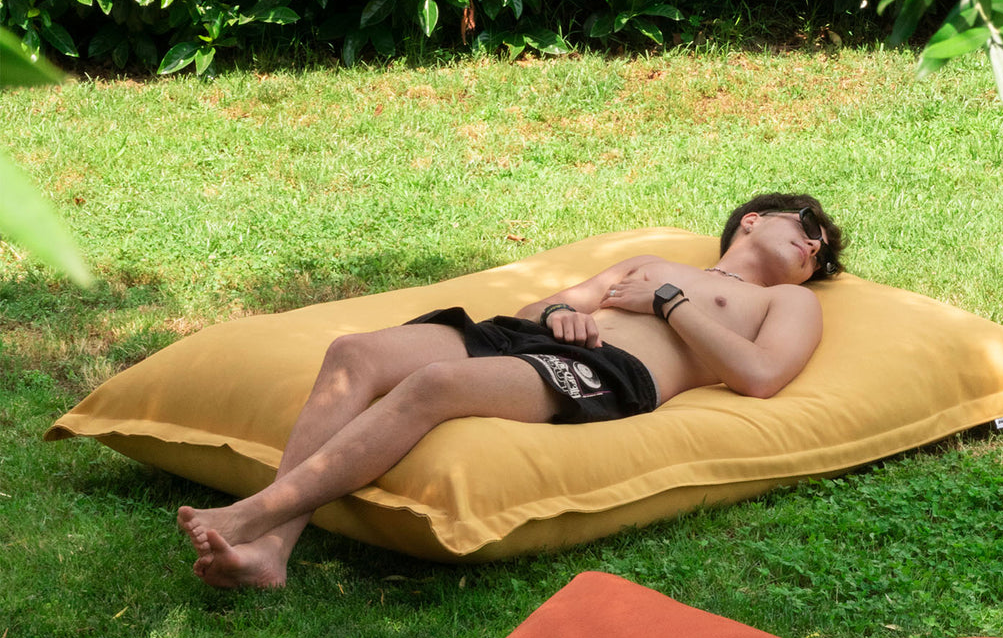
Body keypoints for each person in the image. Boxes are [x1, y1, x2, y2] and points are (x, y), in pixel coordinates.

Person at [178, 192, 845, 589]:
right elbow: (544, 305)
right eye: (807, 225)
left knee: (436, 384)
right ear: (752, 219)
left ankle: (253, 515)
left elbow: (761, 376)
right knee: (353, 353)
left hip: (610, 373)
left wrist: (670, 304)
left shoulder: (786, 300)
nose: (814, 245)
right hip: (534, 340)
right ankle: (273, 551)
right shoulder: (651, 261)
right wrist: (559, 314)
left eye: (822, 251)